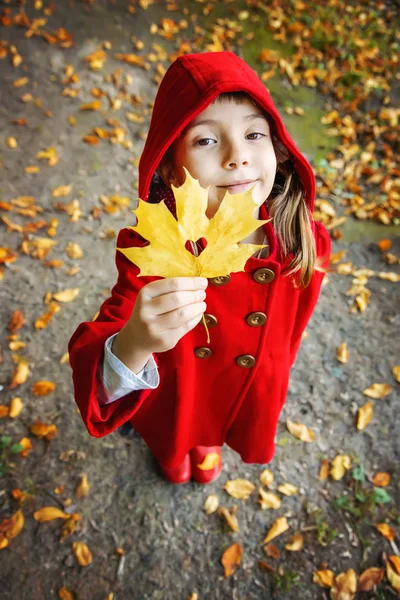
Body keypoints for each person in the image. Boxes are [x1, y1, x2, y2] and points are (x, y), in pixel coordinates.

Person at [68, 51, 331, 486]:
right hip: (180, 395)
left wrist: (277, 365)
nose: (237, 156)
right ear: (171, 167)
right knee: (177, 435)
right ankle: (175, 453)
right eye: (206, 140)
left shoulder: (305, 239)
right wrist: (135, 339)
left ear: (280, 150)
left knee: (219, 418)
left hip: (247, 387)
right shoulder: (156, 249)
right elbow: (106, 353)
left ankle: (208, 441)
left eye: (254, 134)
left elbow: (293, 327)